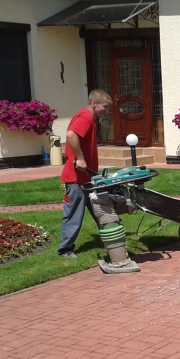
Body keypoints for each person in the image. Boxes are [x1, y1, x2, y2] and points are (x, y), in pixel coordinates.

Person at [57, 90, 112, 258]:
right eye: (105, 107)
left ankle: (113, 241)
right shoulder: (85, 117)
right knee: (74, 215)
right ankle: (65, 250)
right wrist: (80, 158)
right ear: (94, 104)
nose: (107, 111)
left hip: (88, 178)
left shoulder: (90, 118)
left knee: (102, 210)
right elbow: (71, 135)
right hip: (76, 179)